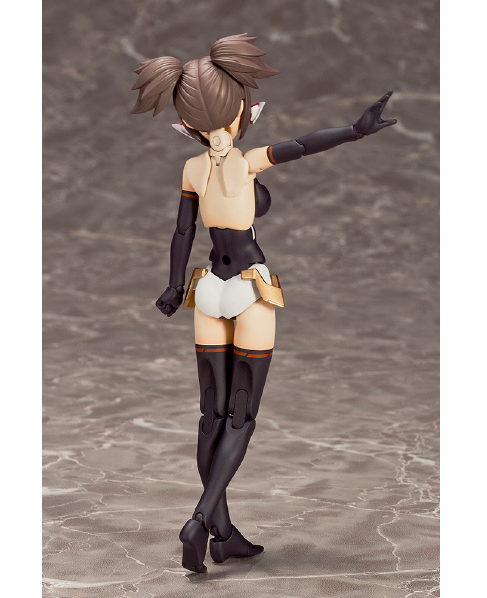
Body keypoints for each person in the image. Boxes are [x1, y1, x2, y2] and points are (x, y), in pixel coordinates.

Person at [131, 33, 396, 573]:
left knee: (211, 415)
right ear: (244, 113)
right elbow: (302, 145)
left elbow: (183, 232)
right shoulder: (248, 159)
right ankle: (200, 520)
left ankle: (222, 534)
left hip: (208, 288)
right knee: (239, 416)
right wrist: (355, 131)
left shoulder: (192, 168)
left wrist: (174, 285)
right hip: (249, 287)